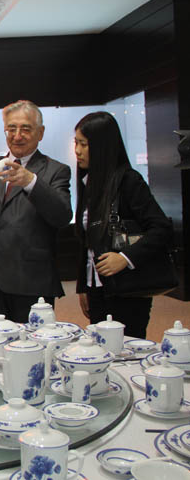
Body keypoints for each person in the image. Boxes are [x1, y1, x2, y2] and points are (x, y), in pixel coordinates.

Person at [0, 100, 72, 323]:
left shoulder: (56, 170)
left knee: (32, 341)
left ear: (40, 133)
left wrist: (32, 182)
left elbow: (62, 215)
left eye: (25, 129)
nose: (17, 136)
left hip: (31, 281)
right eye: (11, 129)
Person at [74, 111, 173, 338]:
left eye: (84, 144)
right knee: (101, 346)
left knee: (127, 348)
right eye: (76, 143)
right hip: (97, 286)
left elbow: (160, 228)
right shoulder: (89, 182)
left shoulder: (129, 181)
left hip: (127, 286)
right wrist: (83, 286)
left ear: (102, 146)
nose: (77, 150)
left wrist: (124, 258)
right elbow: (88, 242)